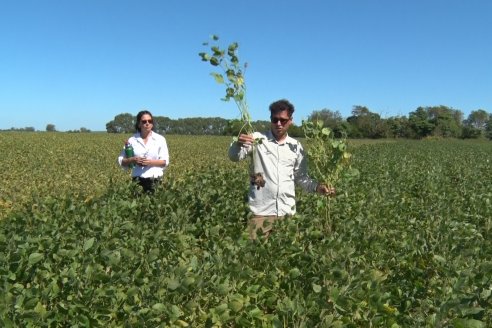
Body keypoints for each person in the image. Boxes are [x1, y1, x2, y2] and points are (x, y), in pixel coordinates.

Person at [228, 99, 335, 239]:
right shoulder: (257, 140)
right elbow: (234, 157)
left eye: (283, 120)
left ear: (290, 120)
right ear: (270, 119)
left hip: (287, 214)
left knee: (286, 258)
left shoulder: (296, 146)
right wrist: (237, 144)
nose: (278, 124)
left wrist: (317, 187)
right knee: (255, 258)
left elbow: (301, 178)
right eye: (275, 119)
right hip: (261, 213)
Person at [118, 110, 169, 193]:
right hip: (137, 180)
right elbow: (121, 161)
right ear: (139, 124)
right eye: (144, 121)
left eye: (150, 121)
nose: (147, 123)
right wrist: (132, 160)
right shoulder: (132, 140)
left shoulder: (160, 139)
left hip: (155, 180)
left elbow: (164, 162)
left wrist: (149, 162)